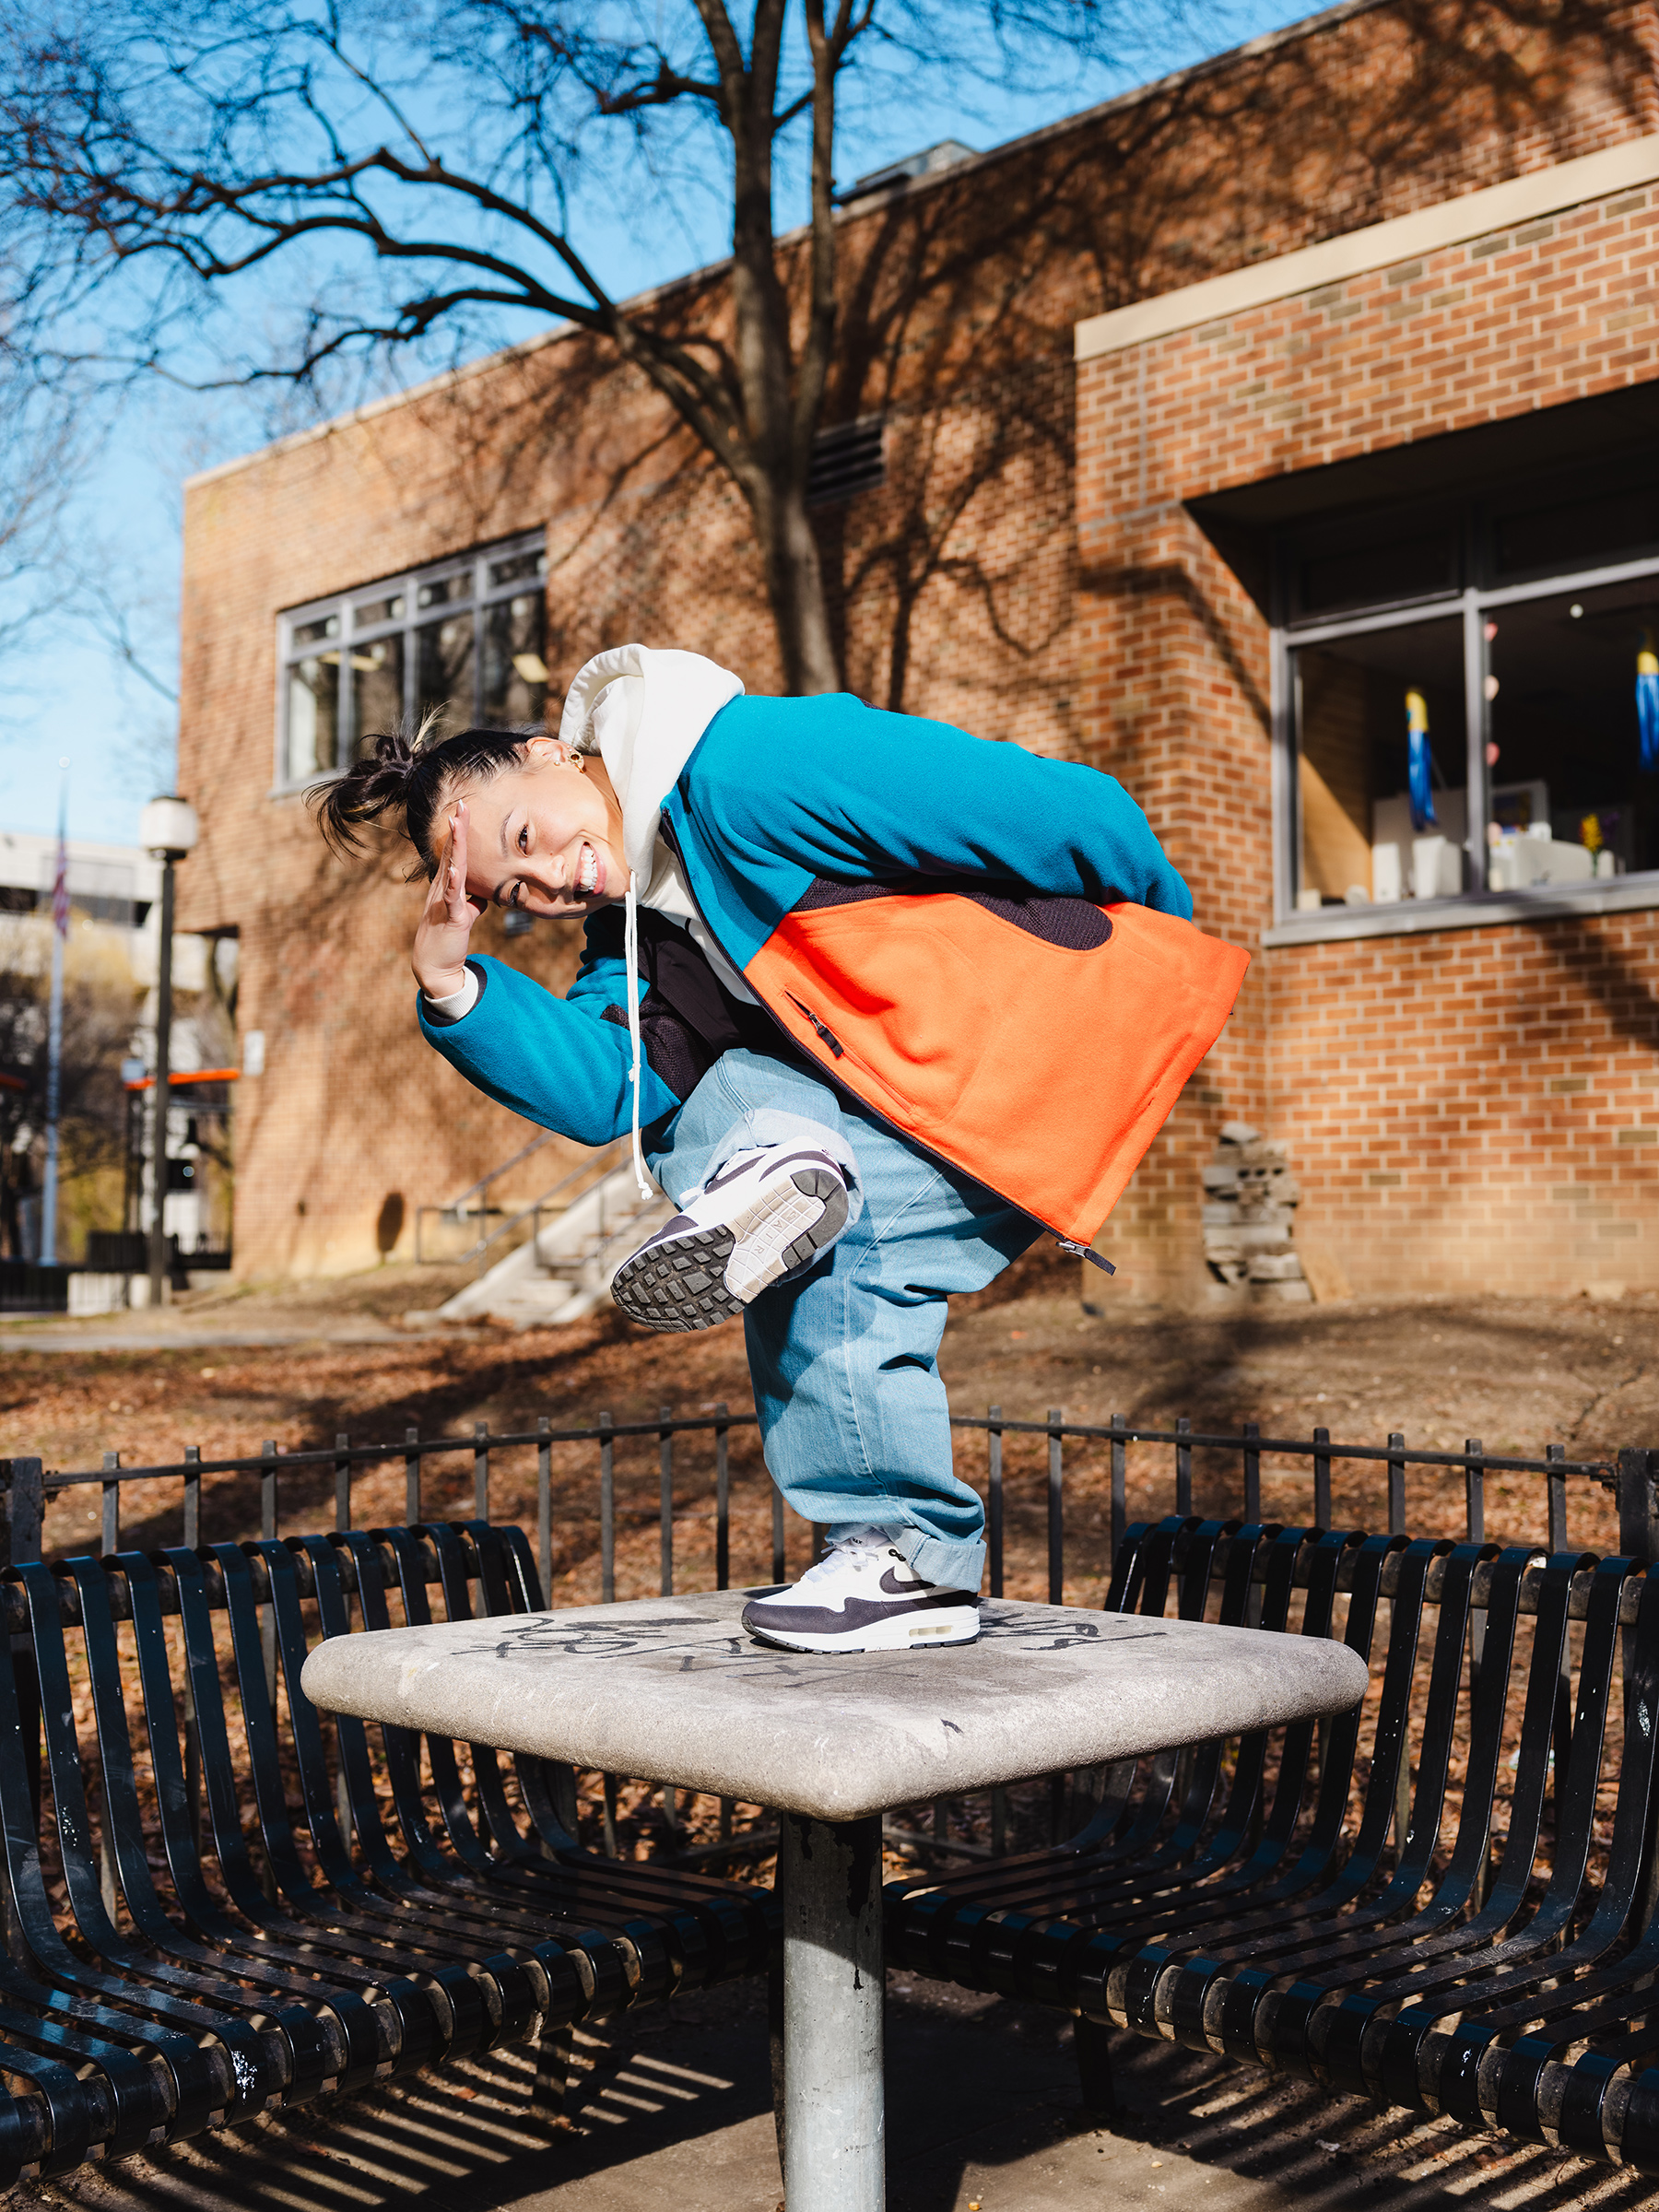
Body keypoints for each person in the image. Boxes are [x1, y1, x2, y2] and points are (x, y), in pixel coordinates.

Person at [314, 641, 1247, 1653]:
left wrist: (1145, 956)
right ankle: (903, 1556)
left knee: (768, 1179)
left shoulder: (750, 763)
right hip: (927, 1087)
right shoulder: (640, 933)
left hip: (1044, 1026)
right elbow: (613, 1088)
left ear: (554, 751)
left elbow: (1065, 812)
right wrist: (450, 980)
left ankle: (784, 1170)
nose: (550, 879)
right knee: (798, 1227)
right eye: (515, 893)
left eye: (530, 834)